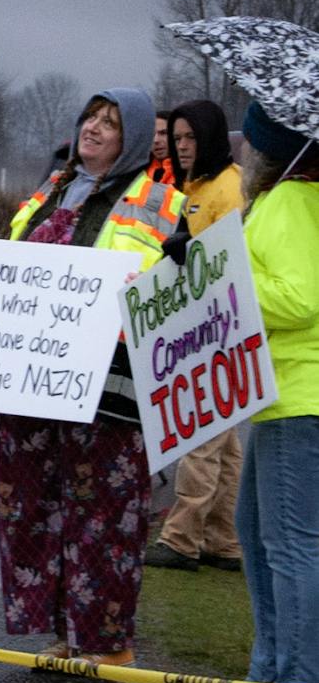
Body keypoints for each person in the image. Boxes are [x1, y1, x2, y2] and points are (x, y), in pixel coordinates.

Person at [0, 88, 184, 667]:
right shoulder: (49, 189)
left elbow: (170, 286)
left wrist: (184, 257)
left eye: (110, 122)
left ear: (129, 138)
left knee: (104, 511)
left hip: (110, 386)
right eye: (90, 118)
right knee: (39, 507)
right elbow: (12, 261)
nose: (95, 129)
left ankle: (109, 640)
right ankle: (63, 630)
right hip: (35, 378)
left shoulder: (159, 200)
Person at [195, 103, 319, 683]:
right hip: (278, 397)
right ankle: (267, 677)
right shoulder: (276, 200)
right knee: (258, 533)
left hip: (305, 398)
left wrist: (231, 281)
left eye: (249, 145)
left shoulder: (297, 200)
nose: (239, 154)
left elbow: (299, 298)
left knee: (293, 545)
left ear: (271, 151)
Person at [145, 99, 245, 574]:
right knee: (223, 443)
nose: (182, 147)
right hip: (207, 326)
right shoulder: (197, 185)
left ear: (210, 139)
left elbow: (231, 259)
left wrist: (193, 247)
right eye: (177, 138)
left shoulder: (229, 188)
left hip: (221, 328)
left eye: (191, 138)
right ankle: (224, 540)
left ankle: (182, 538)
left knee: (201, 433)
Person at [147, 108, 176, 186]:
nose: (156, 140)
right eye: (152, 134)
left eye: (163, 133)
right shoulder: (138, 174)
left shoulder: (189, 174)